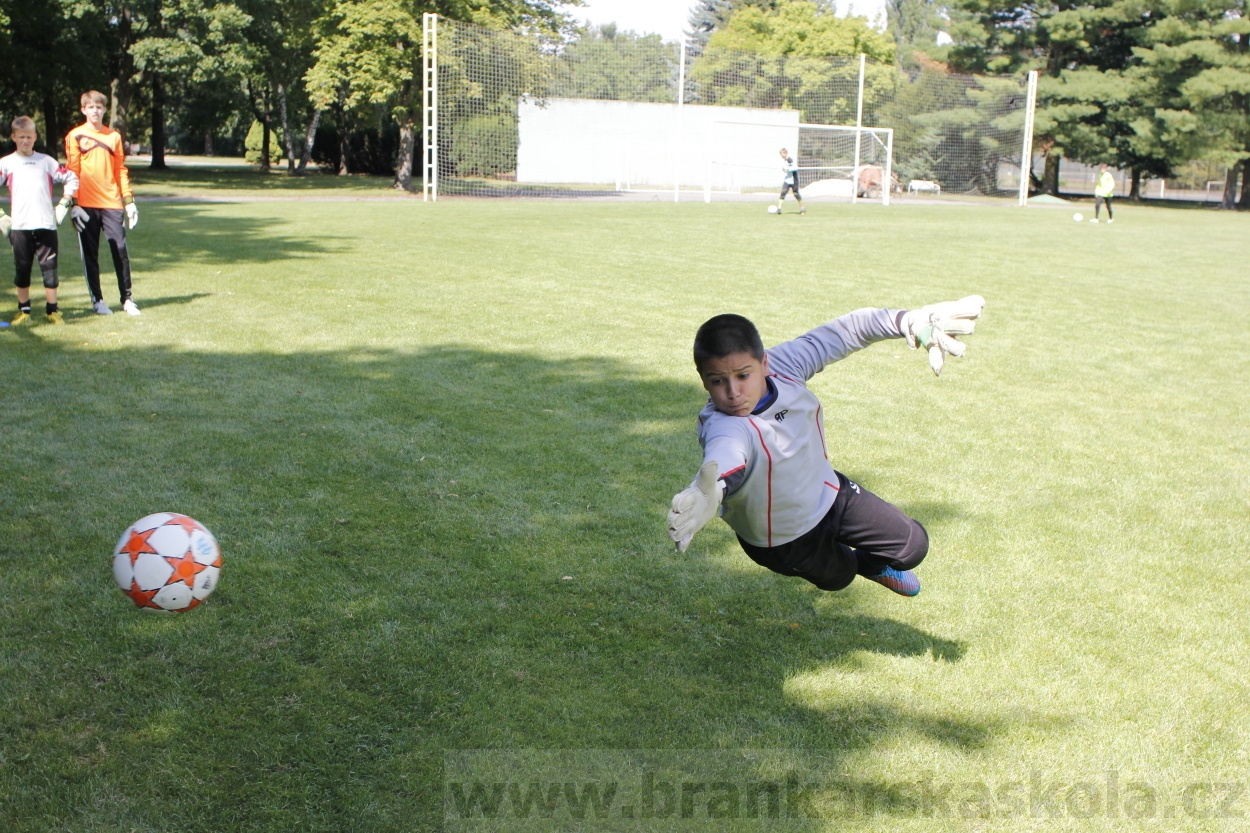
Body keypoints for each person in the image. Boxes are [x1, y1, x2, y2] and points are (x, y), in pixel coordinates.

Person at [666, 297, 986, 598]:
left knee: (913, 546)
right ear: (703, 379)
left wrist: (910, 322)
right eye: (718, 380)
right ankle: (852, 566)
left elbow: (846, 331)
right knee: (841, 576)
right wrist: (712, 490)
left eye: (743, 375)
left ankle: (874, 566)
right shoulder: (725, 425)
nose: (733, 391)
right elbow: (726, 455)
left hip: (830, 495)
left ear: (763, 363)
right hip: (782, 538)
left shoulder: (784, 365)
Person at [65, 90, 140, 315]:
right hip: (85, 204)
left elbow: (120, 170)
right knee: (90, 254)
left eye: (99, 107)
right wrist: (74, 203)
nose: (95, 111)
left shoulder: (114, 136)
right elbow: (72, 171)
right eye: (91, 107)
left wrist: (128, 201)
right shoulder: (75, 135)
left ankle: (127, 299)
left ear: (105, 109)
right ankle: (97, 300)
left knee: (120, 249)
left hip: (111, 202)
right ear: (83, 110)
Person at [0, 116, 80, 325]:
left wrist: (64, 203)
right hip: (20, 226)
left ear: (35, 137)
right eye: (21, 137)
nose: (25, 141)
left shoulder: (46, 162)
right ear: (13, 137)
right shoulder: (6, 163)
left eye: (29, 137)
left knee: (50, 269)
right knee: (22, 268)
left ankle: (52, 310)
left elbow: (71, 177)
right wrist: (1, 216)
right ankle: (24, 310)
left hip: (46, 224)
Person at [775, 148, 805, 215]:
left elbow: (795, 168)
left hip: (794, 180)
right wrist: (784, 170)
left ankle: (802, 208)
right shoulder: (785, 161)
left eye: (781, 154)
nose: (781, 156)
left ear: (785, 153)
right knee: (783, 192)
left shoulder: (790, 160)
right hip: (787, 180)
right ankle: (779, 208)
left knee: (796, 194)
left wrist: (787, 169)